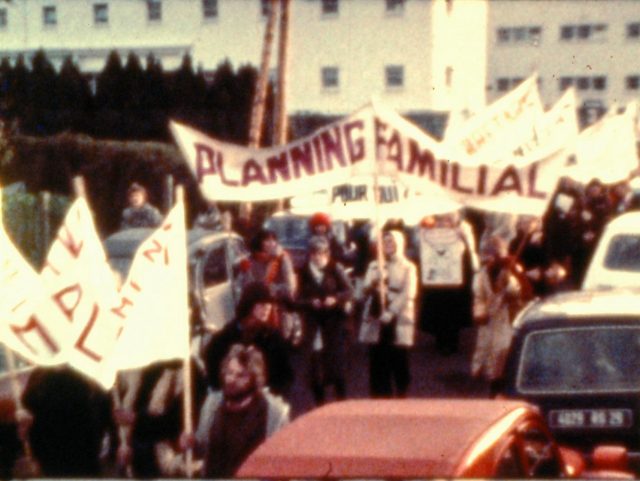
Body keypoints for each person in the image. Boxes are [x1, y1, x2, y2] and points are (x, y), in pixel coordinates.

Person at [190, 344, 290, 478]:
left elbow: (281, 463)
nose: (231, 380)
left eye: (241, 376)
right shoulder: (212, 404)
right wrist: (191, 443)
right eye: (229, 372)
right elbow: (202, 447)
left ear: (254, 379)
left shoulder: (274, 412)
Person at [17, 365, 114, 477]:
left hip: (62, 443)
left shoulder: (43, 374)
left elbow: (28, 401)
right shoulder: (83, 372)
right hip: (74, 443)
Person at [203, 281, 295, 398]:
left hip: (263, 404)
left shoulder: (273, 338)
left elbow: (286, 378)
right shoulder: (224, 338)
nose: (267, 308)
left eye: (269, 304)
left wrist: (269, 395)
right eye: (261, 304)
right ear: (249, 304)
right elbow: (212, 374)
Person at [359, 230, 418, 398]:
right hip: (376, 313)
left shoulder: (408, 267)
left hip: (398, 314)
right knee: (377, 356)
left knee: (399, 356)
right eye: (385, 242)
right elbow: (363, 291)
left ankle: (401, 390)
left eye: (392, 242)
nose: (388, 245)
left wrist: (392, 311)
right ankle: (379, 393)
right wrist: (374, 281)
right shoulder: (374, 265)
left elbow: (409, 292)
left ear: (400, 244)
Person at [297, 236, 354, 404]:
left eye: (321, 253)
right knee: (315, 365)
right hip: (313, 324)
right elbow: (297, 299)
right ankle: (319, 403)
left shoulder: (335, 268)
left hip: (333, 323)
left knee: (336, 364)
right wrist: (310, 302)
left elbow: (349, 291)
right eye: (314, 253)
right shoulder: (303, 271)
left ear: (327, 254)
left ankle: (341, 401)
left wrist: (335, 299)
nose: (317, 257)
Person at [417, 212, 478, 355]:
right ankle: (440, 339)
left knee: (453, 308)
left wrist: (461, 231)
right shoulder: (429, 224)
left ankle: (452, 341)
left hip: (455, 272)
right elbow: (420, 242)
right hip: (435, 274)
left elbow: (470, 247)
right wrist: (424, 228)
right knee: (437, 306)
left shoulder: (463, 227)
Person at [471, 235, 524, 396]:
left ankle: (502, 387)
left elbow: (518, 292)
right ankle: (492, 387)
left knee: (504, 352)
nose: (489, 259)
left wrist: (509, 284)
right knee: (488, 355)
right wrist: (480, 313)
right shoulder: (480, 276)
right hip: (489, 322)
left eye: (493, 254)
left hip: (506, 320)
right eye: (486, 255)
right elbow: (479, 297)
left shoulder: (511, 270)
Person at [238, 229, 300, 345]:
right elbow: (245, 287)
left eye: (273, 240)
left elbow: (290, 288)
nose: (271, 243)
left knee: (277, 345)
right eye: (267, 240)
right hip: (255, 311)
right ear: (260, 242)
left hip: (278, 309)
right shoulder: (250, 260)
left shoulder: (282, 258)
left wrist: (270, 289)